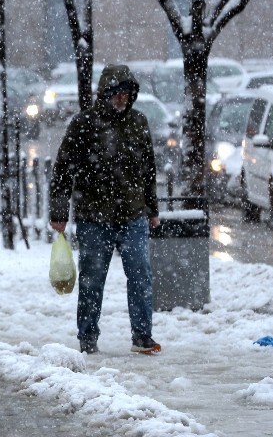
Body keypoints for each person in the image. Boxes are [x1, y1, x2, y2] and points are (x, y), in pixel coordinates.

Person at [48, 64, 162, 355]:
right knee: (92, 279)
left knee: (140, 274)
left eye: (126, 93)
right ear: (106, 93)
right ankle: (87, 337)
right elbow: (63, 170)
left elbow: (148, 169)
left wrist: (152, 208)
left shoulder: (138, 123)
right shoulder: (84, 124)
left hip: (133, 213)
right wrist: (59, 212)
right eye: (117, 93)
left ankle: (142, 335)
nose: (122, 99)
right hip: (94, 216)